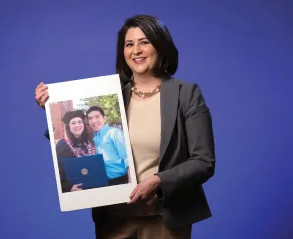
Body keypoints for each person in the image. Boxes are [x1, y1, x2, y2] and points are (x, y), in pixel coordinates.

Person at [35, 14, 215, 239]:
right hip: (113, 220)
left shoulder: (186, 94)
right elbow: (77, 144)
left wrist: (159, 180)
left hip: (165, 220)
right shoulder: (112, 93)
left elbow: (203, 162)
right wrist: (51, 111)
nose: (136, 50)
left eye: (144, 42)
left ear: (160, 46)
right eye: (129, 44)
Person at [54, 110, 96, 193]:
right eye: (73, 123)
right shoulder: (61, 145)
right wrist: (68, 187)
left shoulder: (91, 141)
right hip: (75, 190)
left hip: (94, 186)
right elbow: (57, 171)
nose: (77, 125)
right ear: (68, 127)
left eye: (80, 122)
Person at [86, 106, 129, 186]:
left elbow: (128, 159)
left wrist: (131, 183)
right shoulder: (94, 139)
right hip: (103, 182)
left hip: (120, 181)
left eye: (97, 117)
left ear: (104, 118)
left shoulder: (115, 133)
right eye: (90, 118)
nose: (94, 121)